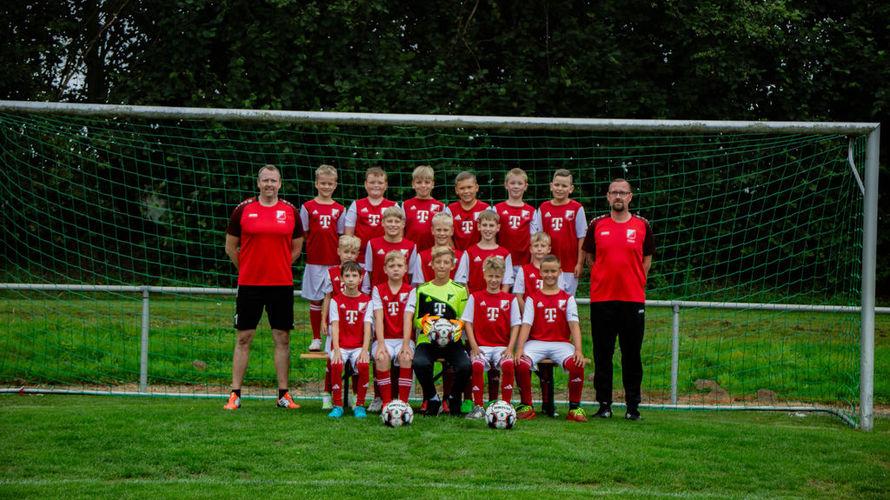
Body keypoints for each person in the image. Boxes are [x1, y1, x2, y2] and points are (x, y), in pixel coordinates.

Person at [223, 164, 304, 411]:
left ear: (280, 184)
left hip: (281, 284)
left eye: (273, 180)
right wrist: (248, 268)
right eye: (265, 180)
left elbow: (297, 248)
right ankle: (235, 394)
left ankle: (283, 395)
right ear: (259, 183)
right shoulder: (243, 209)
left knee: (282, 338)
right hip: (250, 284)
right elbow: (230, 247)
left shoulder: (290, 211)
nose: (269, 184)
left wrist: (279, 266)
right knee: (244, 337)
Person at [582, 178, 655, 421]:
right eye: (614, 192)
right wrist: (601, 275)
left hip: (632, 299)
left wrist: (638, 279)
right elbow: (589, 256)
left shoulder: (642, 225)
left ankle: (633, 407)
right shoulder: (597, 224)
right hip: (602, 299)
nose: (618, 196)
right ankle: (604, 405)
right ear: (608, 196)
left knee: (631, 355)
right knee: (603, 354)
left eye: (623, 193)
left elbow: (647, 257)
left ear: (630, 197)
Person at [514, 255, 587, 422]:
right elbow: (526, 324)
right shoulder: (532, 298)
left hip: (561, 343)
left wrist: (578, 350)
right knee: (521, 362)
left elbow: (574, 325)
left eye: (553, 271)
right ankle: (527, 405)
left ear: (560, 272)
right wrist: (520, 348)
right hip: (536, 342)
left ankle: (574, 408)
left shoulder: (568, 298)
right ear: (540, 273)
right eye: (546, 271)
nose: (549, 275)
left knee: (577, 363)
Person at [404, 245, 470, 416]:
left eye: (446, 262)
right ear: (431, 264)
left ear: (452, 265)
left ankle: (453, 397)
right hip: (427, 340)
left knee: (465, 365)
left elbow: (464, 318)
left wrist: (456, 327)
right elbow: (416, 319)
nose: (442, 266)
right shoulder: (422, 289)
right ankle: (432, 397)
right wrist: (425, 323)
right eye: (438, 262)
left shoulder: (459, 290)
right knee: (419, 363)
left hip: (452, 341)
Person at [461, 256, 521, 418]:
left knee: (508, 364)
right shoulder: (475, 297)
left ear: (502, 277)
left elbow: (516, 325)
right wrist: (474, 346)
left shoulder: (510, 299)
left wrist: (510, 348)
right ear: (484, 275)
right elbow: (468, 323)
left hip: (502, 347)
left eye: (497, 276)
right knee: (477, 365)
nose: (493, 280)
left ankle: (506, 406)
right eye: (490, 276)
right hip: (481, 346)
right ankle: (478, 406)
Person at [300, 165, 346, 352]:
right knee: (316, 300)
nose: (326, 187)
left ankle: (334, 337)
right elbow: (304, 233)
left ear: (335, 185)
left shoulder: (340, 209)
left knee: (334, 299)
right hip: (314, 261)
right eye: (323, 183)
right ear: (316, 184)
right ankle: (316, 338)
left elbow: (341, 235)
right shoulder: (307, 207)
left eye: (330, 184)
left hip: (334, 261)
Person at [318, 234, 364, 410]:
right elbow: (327, 298)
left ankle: (355, 395)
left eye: (353, 252)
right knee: (333, 360)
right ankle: (327, 394)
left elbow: (364, 298)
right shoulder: (331, 273)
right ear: (339, 252)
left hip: (355, 323)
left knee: (356, 361)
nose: (349, 256)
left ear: (357, 254)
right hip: (336, 324)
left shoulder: (361, 273)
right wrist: (324, 320)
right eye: (346, 252)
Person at [326, 261, 373, 419]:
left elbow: (367, 328)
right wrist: (336, 349)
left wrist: (365, 350)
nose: (351, 279)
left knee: (363, 364)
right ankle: (337, 405)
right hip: (341, 345)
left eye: (354, 275)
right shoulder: (336, 300)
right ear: (341, 279)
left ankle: (359, 405)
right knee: (336, 363)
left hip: (359, 346)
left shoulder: (367, 301)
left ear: (361, 278)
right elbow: (335, 326)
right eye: (347, 275)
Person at [531, 169, 587, 295]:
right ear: (551, 186)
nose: (560, 189)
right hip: (547, 266)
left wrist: (579, 263)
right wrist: (535, 263)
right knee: (547, 298)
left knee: (566, 300)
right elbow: (538, 238)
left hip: (569, 266)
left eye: (564, 186)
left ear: (571, 189)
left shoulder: (577, 208)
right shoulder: (543, 208)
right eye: (557, 185)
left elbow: (582, 237)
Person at [371, 251, 415, 407]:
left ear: (405, 269)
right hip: (385, 339)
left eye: (399, 266)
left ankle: (403, 404)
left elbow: (408, 318)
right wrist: (381, 344)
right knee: (381, 357)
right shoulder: (378, 289)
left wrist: (405, 344)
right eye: (391, 266)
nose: (396, 269)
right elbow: (378, 319)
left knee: (406, 357)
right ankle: (387, 403)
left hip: (404, 339)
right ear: (385, 269)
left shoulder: (411, 290)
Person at [454, 210, 514, 293]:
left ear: (498, 227)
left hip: (497, 300)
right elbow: (462, 282)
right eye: (484, 225)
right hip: (474, 298)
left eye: (491, 225)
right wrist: (471, 299)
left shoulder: (505, 254)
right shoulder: (469, 252)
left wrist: (499, 299)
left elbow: (506, 283)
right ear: (479, 226)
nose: (488, 229)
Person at [344, 167, 397, 258]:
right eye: (372, 182)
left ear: (386, 185)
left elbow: (399, 232)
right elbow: (348, 234)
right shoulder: (356, 205)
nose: (376, 185)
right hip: (360, 257)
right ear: (365, 184)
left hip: (385, 256)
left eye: (380, 183)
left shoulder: (393, 206)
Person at [362, 206, 418, 290]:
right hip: (378, 293)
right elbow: (369, 272)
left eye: (397, 221)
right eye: (389, 221)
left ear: (403, 224)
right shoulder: (372, 244)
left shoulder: (411, 246)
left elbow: (411, 274)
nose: (393, 225)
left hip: (402, 294)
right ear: (382, 223)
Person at [494, 168, 535, 274]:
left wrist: (533, 261)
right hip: (501, 262)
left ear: (525, 186)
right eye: (512, 183)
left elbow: (534, 239)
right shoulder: (497, 209)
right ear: (506, 185)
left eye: (520, 183)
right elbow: (492, 236)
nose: (516, 186)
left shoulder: (532, 211)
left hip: (524, 262)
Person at [402, 165, 445, 252]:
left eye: (427, 182)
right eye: (419, 182)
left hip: (433, 252)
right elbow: (401, 231)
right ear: (413, 184)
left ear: (432, 184)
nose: (423, 185)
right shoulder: (406, 205)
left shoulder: (440, 206)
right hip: (410, 251)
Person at [444, 171, 490, 251]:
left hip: (479, 254)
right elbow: (446, 235)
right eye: (462, 188)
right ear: (456, 190)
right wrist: (455, 253)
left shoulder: (486, 209)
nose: (466, 191)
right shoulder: (450, 210)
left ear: (476, 188)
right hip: (457, 254)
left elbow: (491, 235)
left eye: (469, 187)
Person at [512, 232, 555, 313]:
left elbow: (558, 295)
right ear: (531, 249)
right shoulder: (523, 270)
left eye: (543, 246)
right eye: (536, 246)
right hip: (528, 314)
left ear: (549, 249)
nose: (539, 249)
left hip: (548, 313)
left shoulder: (554, 270)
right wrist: (527, 314)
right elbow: (518, 296)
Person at [414, 212, 462, 283]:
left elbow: (460, 285)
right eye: (438, 230)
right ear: (432, 230)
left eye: (445, 230)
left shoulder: (460, 256)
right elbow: (419, 285)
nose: (442, 233)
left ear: (452, 231)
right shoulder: (421, 257)